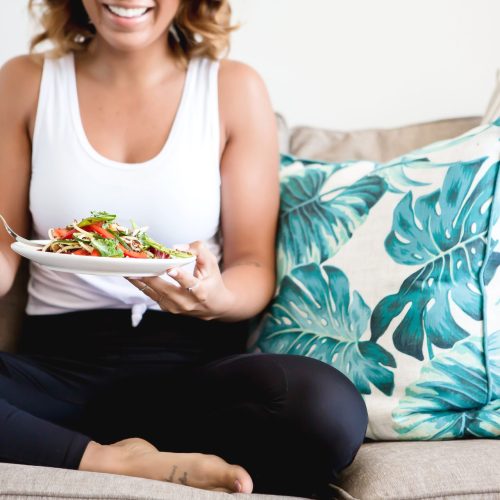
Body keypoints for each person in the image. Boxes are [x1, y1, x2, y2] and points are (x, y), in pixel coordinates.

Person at [0, 0, 368, 497]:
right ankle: (109, 460)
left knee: (328, 408)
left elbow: (253, 264)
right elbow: (7, 247)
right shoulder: (26, 81)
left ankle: (71, 448)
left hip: (192, 376)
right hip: (57, 374)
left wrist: (217, 298)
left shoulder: (233, 88)